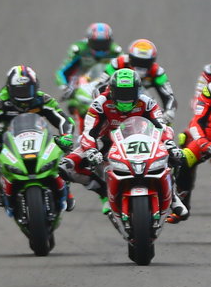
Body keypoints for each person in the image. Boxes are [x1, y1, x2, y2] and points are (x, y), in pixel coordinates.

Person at [71, 67, 187, 219]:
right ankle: (105, 193)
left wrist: (170, 145)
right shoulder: (99, 103)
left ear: (138, 91)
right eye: (120, 93)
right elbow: (88, 132)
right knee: (68, 166)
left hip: (141, 139)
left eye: (129, 93)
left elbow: (162, 127)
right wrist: (91, 150)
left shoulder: (148, 103)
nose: (125, 98)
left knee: (176, 157)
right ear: (111, 90)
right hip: (106, 141)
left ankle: (172, 196)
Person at [0, 66, 75, 208]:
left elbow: (64, 120)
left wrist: (66, 136)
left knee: (67, 153)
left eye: (27, 89)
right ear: (9, 88)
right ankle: (4, 184)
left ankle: (65, 188)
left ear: (35, 86)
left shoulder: (43, 99)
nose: (24, 96)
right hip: (7, 137)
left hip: (41, 135)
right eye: (19, 90)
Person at [107, 39, 178, 115]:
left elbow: (170, 97)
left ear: (152, 61)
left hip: (141, 109)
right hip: (114, 108)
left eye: (145, 63)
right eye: (137, 61)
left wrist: (168, 113)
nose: (140, 65)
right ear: (130, 58)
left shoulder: (157, 72)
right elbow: (100, 84)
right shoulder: (118, 63)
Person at [56, 22, 120, 91]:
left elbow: (125, 66)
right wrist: (64, 85)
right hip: (81, 84)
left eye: (104, 43)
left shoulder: (116, 51)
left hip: (106, 84)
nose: (100, 47)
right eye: (96, 43)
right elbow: (62, 71)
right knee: (73, 100)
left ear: (110, 42)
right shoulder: (79, 49)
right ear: (89, 41)